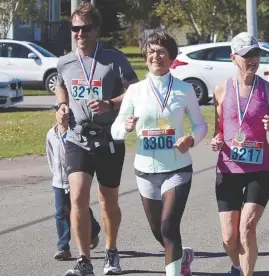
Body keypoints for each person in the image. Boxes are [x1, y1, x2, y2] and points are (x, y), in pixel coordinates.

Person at [111, 29, 207, 276]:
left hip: (177, 168)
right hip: (145, 171)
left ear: (171, 57)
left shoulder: (184, 89)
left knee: (168, 226)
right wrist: (126, 126)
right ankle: (183, 255)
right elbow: (115, 130)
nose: (156, 56)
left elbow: (200, 124)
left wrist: (191, 139)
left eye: (161, 51)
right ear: (145, 56)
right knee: (158, 231)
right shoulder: (135, 91)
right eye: (151, 51)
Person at [54, 2, 139, 275]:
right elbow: (60, 84)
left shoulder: (114, 59)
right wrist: (62, 107)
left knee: (107, 199)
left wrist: (111, 104)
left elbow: (135, 92)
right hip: (77, 138)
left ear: (96, 29)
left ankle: (111, 251)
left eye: (85, 29)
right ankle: (84, 260)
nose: (79, 34)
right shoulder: (65, 61)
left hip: (109, 139)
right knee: (78, 196)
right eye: (75, 29)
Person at [209, 32, 269, 276]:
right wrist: (216, 141)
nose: (252, 60)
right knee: (229, 238)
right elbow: (218, 131)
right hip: (228, 169)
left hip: (260, 169)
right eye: (246, 55)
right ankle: (236, 265)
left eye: (256, 54)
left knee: (248, 226)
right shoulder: (221, 90)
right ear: (234, 58)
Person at [47, 106, 101, 261]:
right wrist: (56, 175)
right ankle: (63, 247)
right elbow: (50, 155)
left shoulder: (75, 135)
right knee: (61, 214)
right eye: (60, 113)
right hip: (59, 181)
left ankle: (93, 230)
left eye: (67, 114)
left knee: (79, 208)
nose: (64, 117)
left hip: (74, 179)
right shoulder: (51, 134)